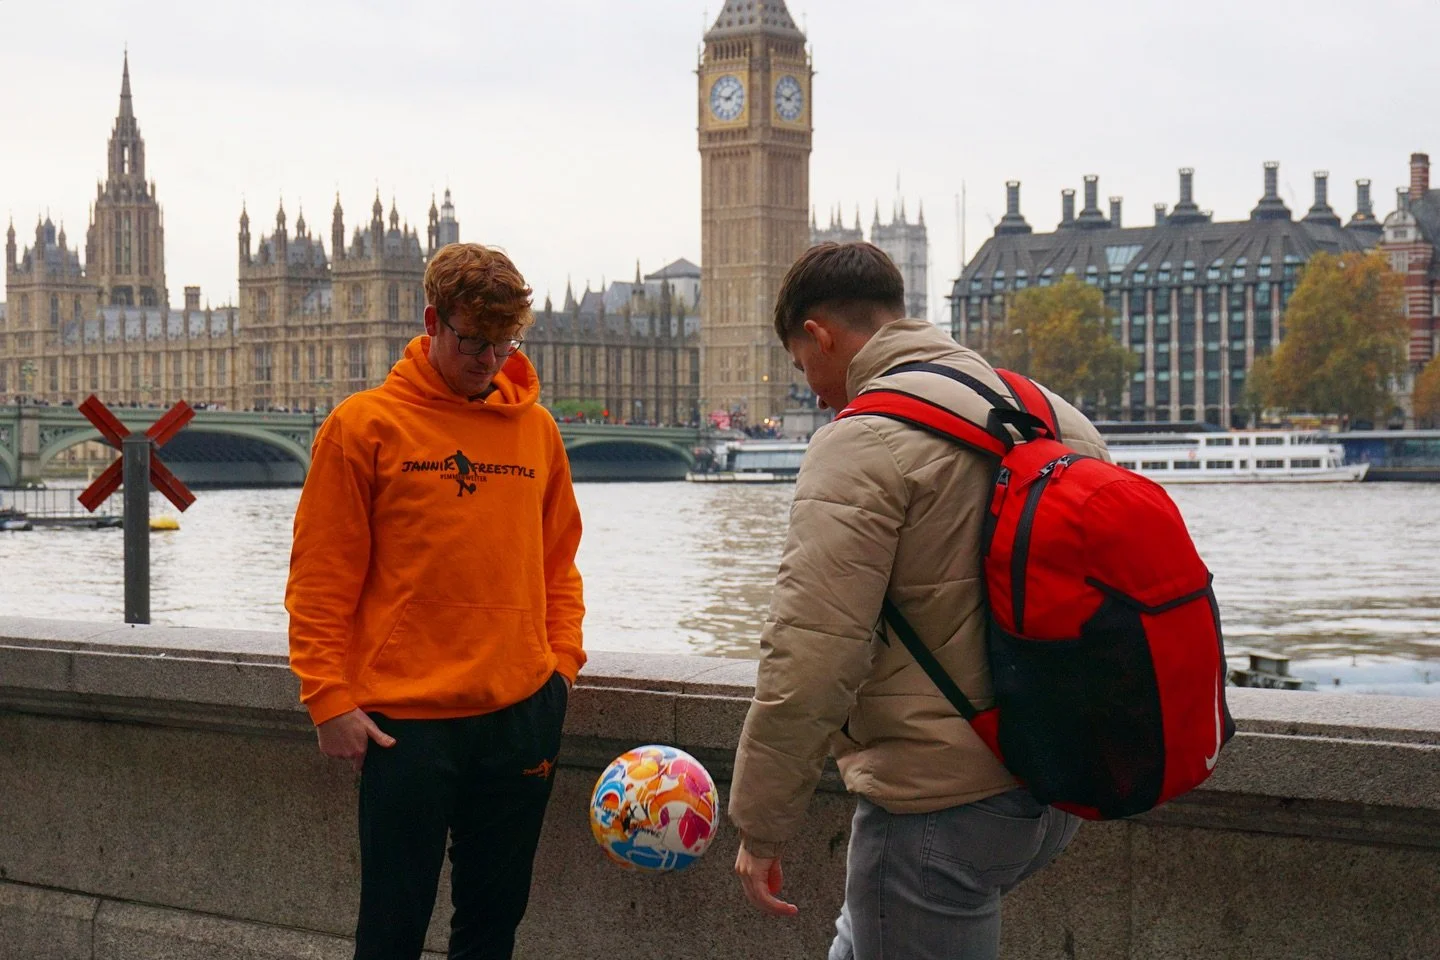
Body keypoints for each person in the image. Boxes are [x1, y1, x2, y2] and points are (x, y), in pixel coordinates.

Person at [729, 242, 1109, 960]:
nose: (811, 390)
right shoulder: (1048, 413)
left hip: (941, 807)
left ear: (819, 335)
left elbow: (811, 652)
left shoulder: (860, 442)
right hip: (1054, 782)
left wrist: (761, 824)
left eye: (801, 364)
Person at [286, 242, 585, 960]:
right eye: (473, 341)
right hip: (405, 724)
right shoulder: (364, 426)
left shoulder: (536, 431)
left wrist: (560, 671)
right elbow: (321, 575)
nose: (489, 360)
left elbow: (559, 565)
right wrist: (326, 696)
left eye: (505, 342)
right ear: (431, 322)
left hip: (518, 714)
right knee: (390, 928)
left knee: (493, 926)